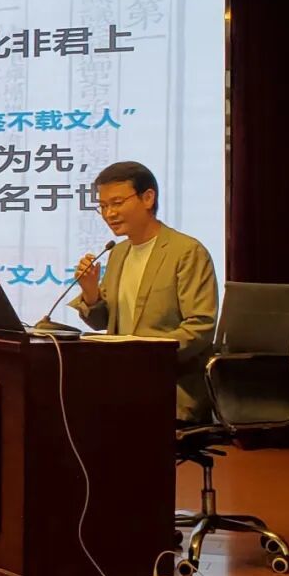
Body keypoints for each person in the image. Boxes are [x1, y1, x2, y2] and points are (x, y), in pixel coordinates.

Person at [68, 161, 218, 423]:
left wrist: (142, 356)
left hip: (170, 388)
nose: (109, 213)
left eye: (117, 203)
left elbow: (200, 327)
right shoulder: (118, 253)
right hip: (121, 383)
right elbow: (103, 322)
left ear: (148, 198)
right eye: (103, 206)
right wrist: (91, 292)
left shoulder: (186, 252)